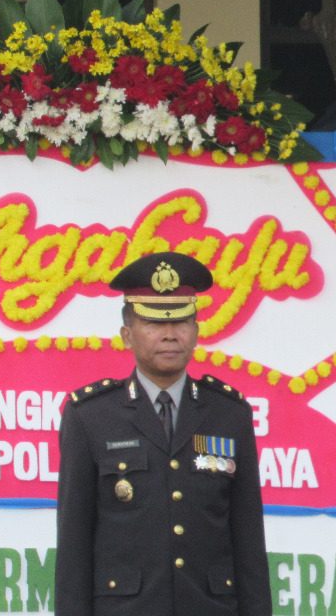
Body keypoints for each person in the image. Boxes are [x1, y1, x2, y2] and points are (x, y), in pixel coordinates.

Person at [56, 251, 270, 615]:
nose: (170, 335)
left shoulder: (229, 414)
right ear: (127, 334)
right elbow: (74, 545)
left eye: (181, 323)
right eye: (154, 324)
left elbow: (248, 540)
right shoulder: (90, 416)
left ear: (197, 332)